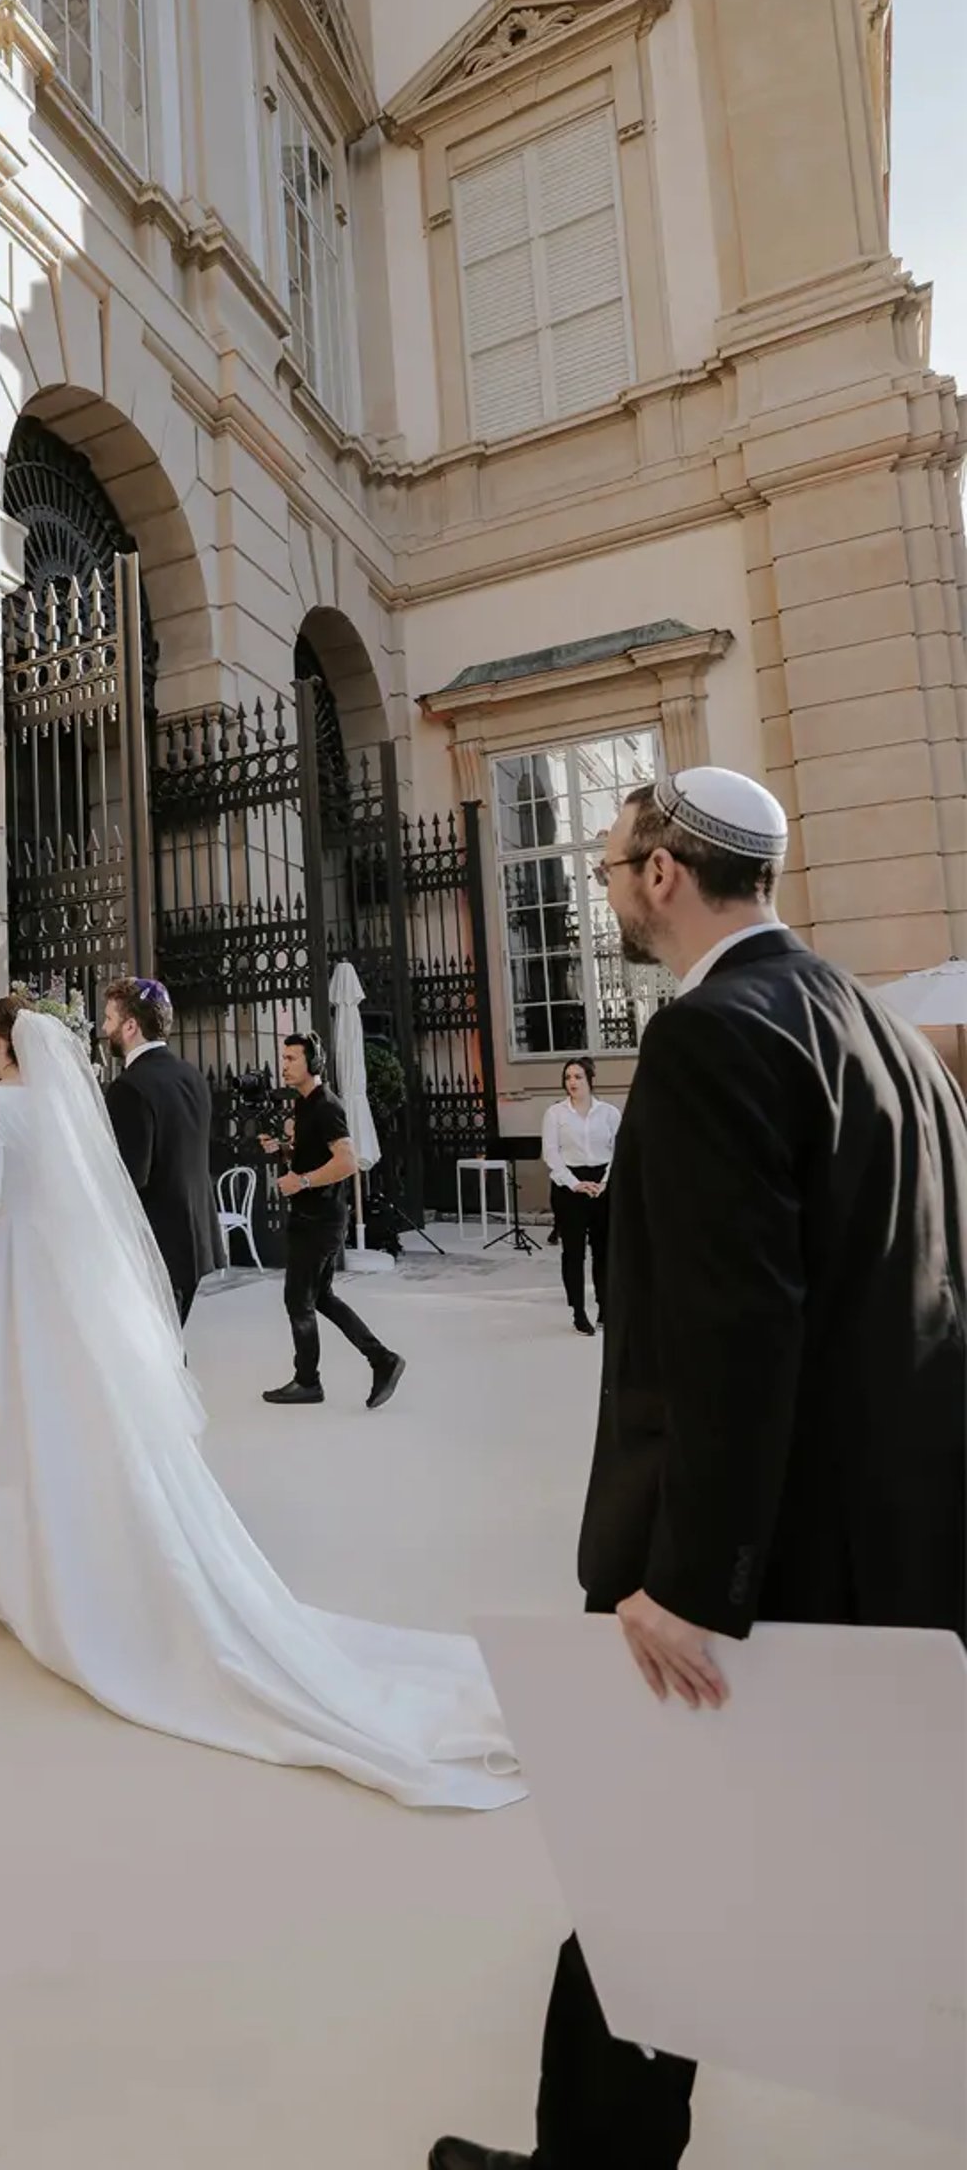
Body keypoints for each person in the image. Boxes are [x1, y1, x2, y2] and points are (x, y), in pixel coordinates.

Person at [431, 767, 967, 2170]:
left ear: (666, 873)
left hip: (761, 1566)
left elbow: (735, 1332)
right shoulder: (885, 1035)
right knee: (679, 1880)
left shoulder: (711, 1035)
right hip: (881, 1548)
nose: (608, 887)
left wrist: (693, 1581)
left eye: (612, 866)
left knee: (649, 1882)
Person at [0, 995, 523, 1809]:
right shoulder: (76, 1101)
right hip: (86, 1269)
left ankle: (34, 1551)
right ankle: (70, 1531)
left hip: (27, 1269)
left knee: (23, 1405)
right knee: (81, 1409)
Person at [259, 1032, 406, 1409]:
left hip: (319, 1219)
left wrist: (302, 1181)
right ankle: (382, 1359)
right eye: (284, 1058)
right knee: (320, 1297)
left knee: (298, 1299)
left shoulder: (326, 1106)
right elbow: (313, 1154)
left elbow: (347, 1161)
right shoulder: (305, 1104)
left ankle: (308, 1381)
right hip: (314, 1215)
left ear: (313, 1063)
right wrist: (284, 1149)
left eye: (292, 1058)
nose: (284, 1065)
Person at [100, 977, 222, 1324]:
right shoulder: (192, 1076)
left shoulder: (129, 1087)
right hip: (196, 1238)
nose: (104, 1028)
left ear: (130, 1026)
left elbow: (130, 1177)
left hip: (156, 1245)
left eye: (109, 1019)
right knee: (169, 1342)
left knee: (155, 1347)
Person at [541, 1056, 620, 1336]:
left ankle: (606, 1308)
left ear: (590, 1080)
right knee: (573, 1252)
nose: (572, 1082)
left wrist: (605, 1183)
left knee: (604, 1251)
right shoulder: (556, 1114)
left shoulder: (609, 1113)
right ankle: (578, 1311)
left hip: (602, 1184)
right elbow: (551, 1153)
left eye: (577, 1077)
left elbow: (619, 1151)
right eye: (568, 1077)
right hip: (569, 1186)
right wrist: (574, 1183)